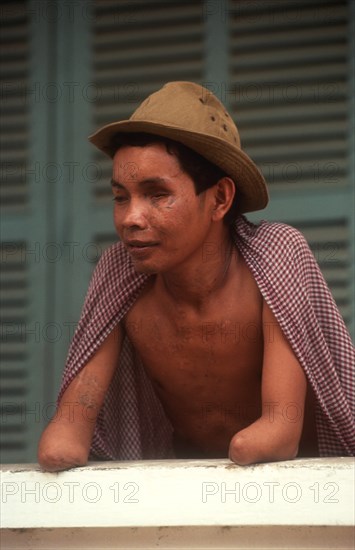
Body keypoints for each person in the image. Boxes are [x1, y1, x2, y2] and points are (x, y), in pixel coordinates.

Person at [38, 81, 355, 472]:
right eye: (121, 197)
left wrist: (234, 454)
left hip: (299, 492)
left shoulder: (275, 257)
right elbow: (63, 440)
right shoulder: (121, 274)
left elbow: (278, 433)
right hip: (187, 501)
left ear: (220, 199)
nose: (131, 219)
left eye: (157, 194)